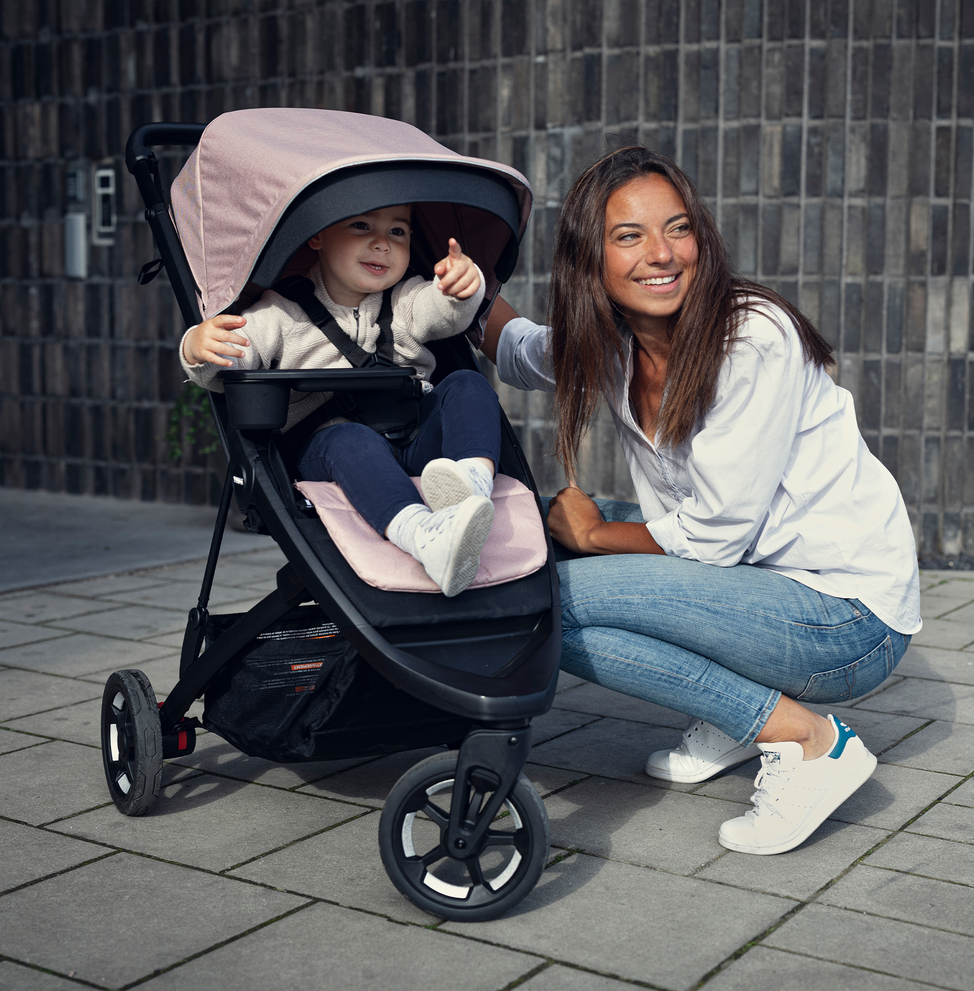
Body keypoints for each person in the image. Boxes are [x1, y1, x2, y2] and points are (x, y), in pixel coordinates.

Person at [480, 147, 922, 855]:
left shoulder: (750, 337)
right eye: (628, 236)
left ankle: (802, 739)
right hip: (759, 579)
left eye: (676, 228)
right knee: (532, 548)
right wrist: (457, 280)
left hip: (846, 621)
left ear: (700, 237)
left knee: (547, 594)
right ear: (589, 260)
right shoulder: (614, 341)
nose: (661, 254)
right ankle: (730, 707)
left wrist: (593, 536)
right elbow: (516, 347)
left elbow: (713, 538)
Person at [181, 205, 501, 597]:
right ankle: (423, 534)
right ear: (318, 236)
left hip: (415, 435)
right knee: (349, 439)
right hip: (332, 450)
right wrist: (199, 346)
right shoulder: (280, 311)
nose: (382, 243)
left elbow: (442, 312)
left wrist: (459, 289)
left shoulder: (405, 299)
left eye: (398, 232)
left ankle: (471, 486)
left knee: (468, 383)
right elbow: (235, 356)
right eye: (361, 225)